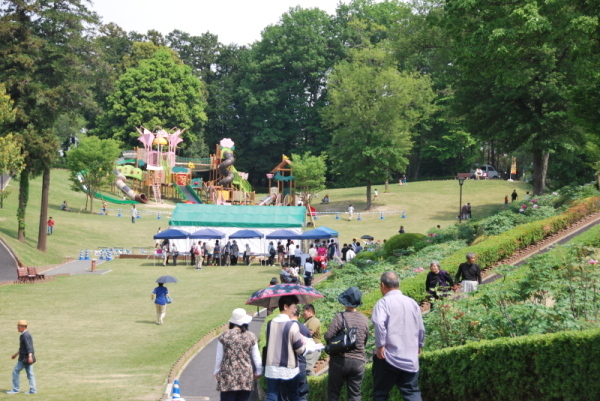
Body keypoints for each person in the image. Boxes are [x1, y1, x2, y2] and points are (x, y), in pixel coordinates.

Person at [372, 272, 425, 401]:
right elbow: (421, 327)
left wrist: (380, 345)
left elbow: (379, 323)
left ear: (383, 285)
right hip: (409, 357)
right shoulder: (412, 302)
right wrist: (419, 345)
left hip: (388, 356)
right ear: (399, 284)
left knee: (380, 394)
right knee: (412, 392)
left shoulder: (383, 303)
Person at [263, 295, 319, 401]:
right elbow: (300, 349)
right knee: (293, 396)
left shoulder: (270, 324)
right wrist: (310, 348)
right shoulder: (292, 326)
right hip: (289, 367)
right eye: (293, 307)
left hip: (271, 367)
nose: (295, 310)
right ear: (285, 306)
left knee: (271, 395)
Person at [324, 287, 370, 401]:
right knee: (355, 395)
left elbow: (328, 336)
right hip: (358, 362)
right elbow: (364, 340)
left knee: (334, 393)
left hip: (340, 360)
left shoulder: (340, 317)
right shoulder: (364, 320)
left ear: (345, 302)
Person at [214, 308, 262, 401]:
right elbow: (256, 356)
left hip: (228, 374)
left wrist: (216, 371)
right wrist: (259, 371)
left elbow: (219, 356)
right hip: (245, 375)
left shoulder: (224, 336)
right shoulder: (251, 336)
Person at [7, 320, 36, 395]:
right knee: (30, 374)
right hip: (28, 358)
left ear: (23, 327)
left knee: (15, 372)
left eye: (18, 326)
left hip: (24, 359)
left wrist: (29, 356)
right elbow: (23, 347)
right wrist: (16, 354)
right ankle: (33, 390)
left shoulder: (24, 335)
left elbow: (29, 347)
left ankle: (16, 389)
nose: (17, 328)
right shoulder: (27, 334)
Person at [302, 304, 322, 377]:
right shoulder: (308, 320)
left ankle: (317, 383)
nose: (302, 313)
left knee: (308, 369)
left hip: (314, 348)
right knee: (304, 368)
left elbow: (310, 333)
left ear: (310, 311)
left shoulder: (313, 320)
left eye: (304, 311)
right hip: (309, 348)